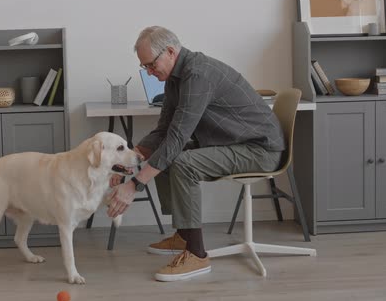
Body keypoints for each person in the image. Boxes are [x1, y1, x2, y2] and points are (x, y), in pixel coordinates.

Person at [106, 26, 285, 282]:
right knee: (165, 156)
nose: (148, 72)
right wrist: (128, 163)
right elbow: (164, 131)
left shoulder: (197, 75)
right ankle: (184, 235)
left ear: (169, 52)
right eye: (144, 67)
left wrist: (134, 185)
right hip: (236, 144)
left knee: (182, 162)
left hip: (260, 149)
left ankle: (197, 254)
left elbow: (177, 138)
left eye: (150, 65)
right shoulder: (175, 80)